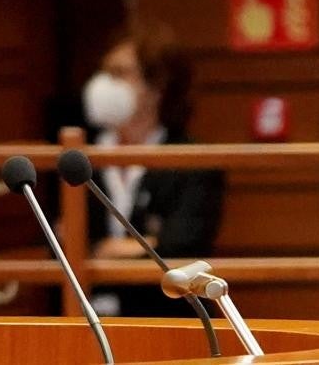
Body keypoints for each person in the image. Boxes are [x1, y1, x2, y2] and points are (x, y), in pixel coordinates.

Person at [80, 21, 224, 317]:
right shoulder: (81, 158)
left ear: (157, 86)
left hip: (166, 318)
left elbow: (181, 247)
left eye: (119, 74)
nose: (104, 85)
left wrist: (103, 251)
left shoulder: (193, 160)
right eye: (104, 73)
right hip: (89, 318)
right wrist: (143, 245)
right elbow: (63, 240)